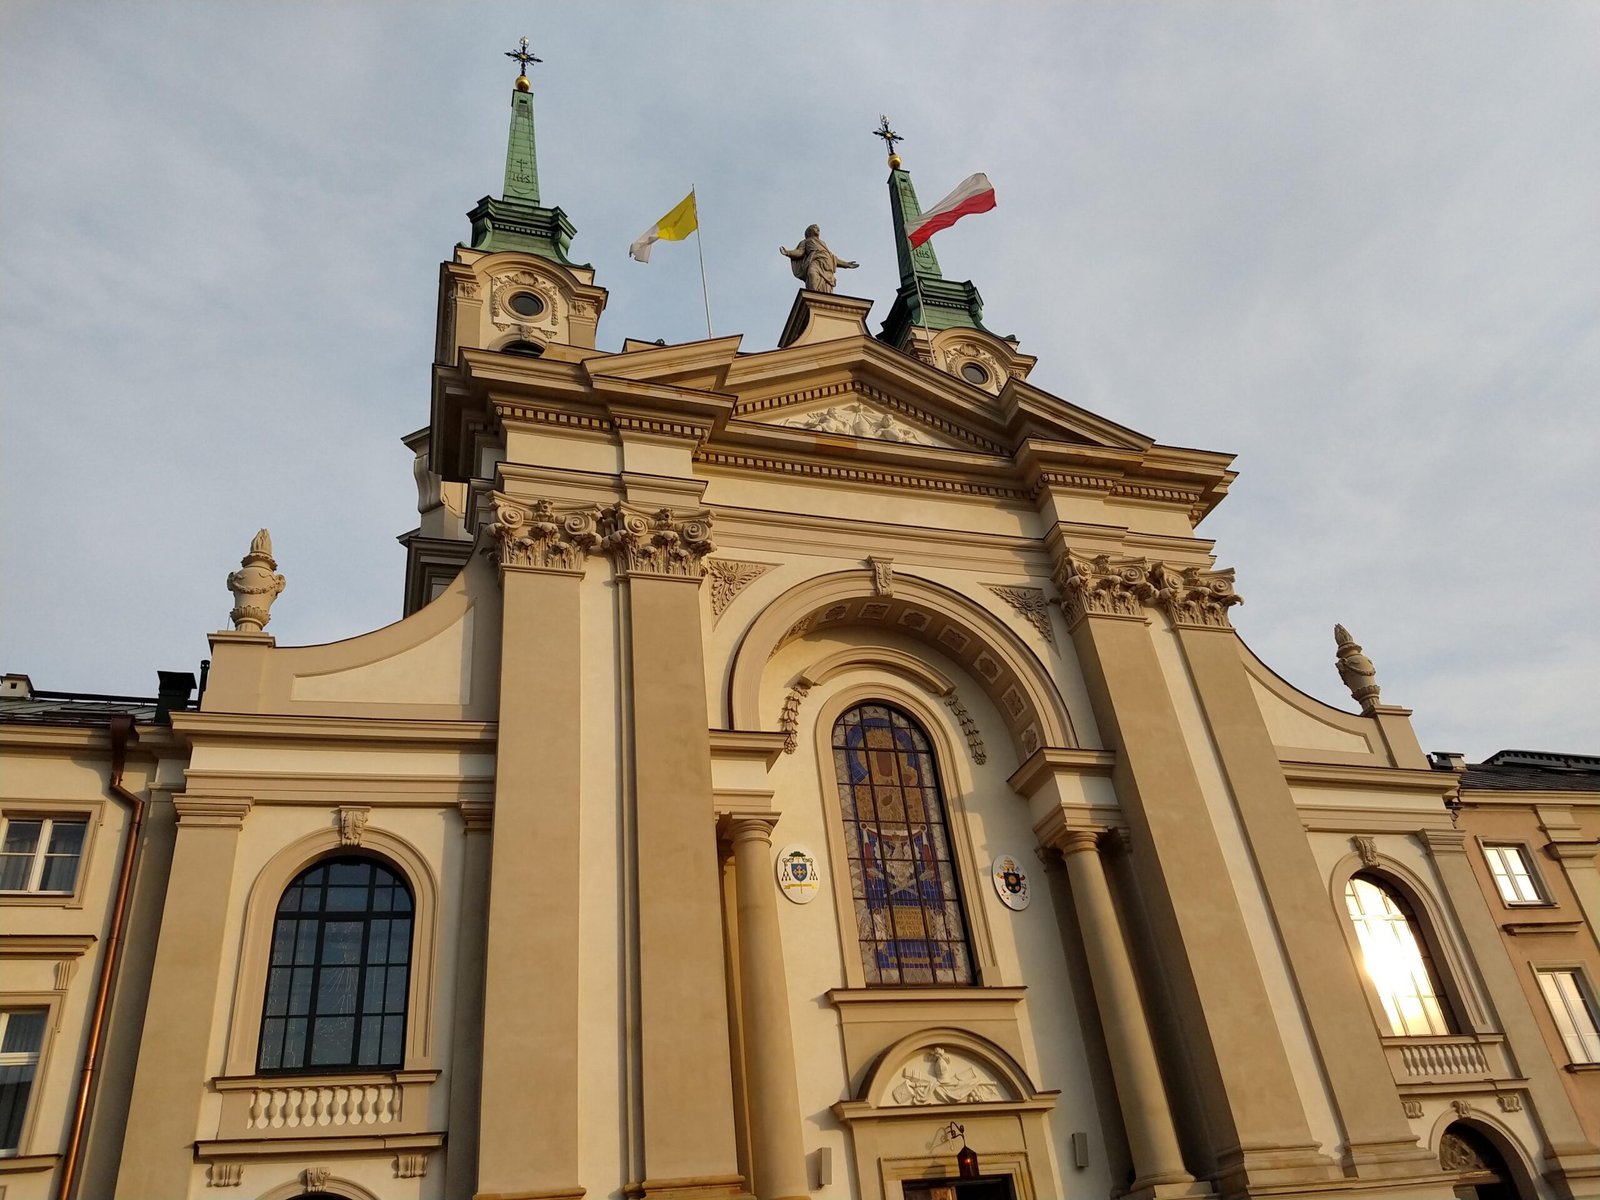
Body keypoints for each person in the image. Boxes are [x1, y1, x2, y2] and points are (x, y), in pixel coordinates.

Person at [780, 225, 858, 293]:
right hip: (815, 261)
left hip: (826, 265)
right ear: (809, 232)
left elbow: (831, 257)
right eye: (815, 227)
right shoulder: (806, 241)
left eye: (818, 228)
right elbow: (800, 252)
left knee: (825, 286)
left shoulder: (823, 243)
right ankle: (812, 295)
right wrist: (788, 252)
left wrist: (846, 264)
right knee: (812, 274)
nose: (818, 229)